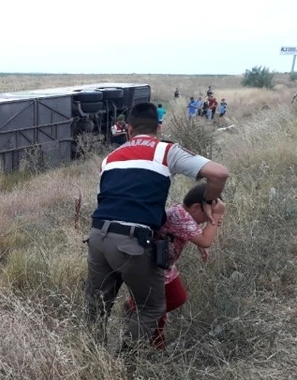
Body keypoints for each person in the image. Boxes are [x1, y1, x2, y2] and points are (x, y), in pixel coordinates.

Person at [84, 102, 229, 354]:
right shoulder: (165, 151)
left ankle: (90, 357)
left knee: (97, 306)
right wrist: (207, 201)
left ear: (128, 129)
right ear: (158, 128)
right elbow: (219, 173)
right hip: (132, 242)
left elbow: (103, 198)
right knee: (152, 308)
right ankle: (122, 360)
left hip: (97, 237)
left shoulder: (109, 159)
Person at [125, 182, 226, 350]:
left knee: (161, 306)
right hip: (154, 267)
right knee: (165, 304)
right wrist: (215, 218)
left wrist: (199, 240)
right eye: (208, 214)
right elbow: (206, 241)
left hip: (161, 264)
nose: (211, 218)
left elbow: (189, 232)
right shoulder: (182, 217)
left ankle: (156, 344)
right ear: (196, 207)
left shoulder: (180, 210)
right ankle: (135, 310)